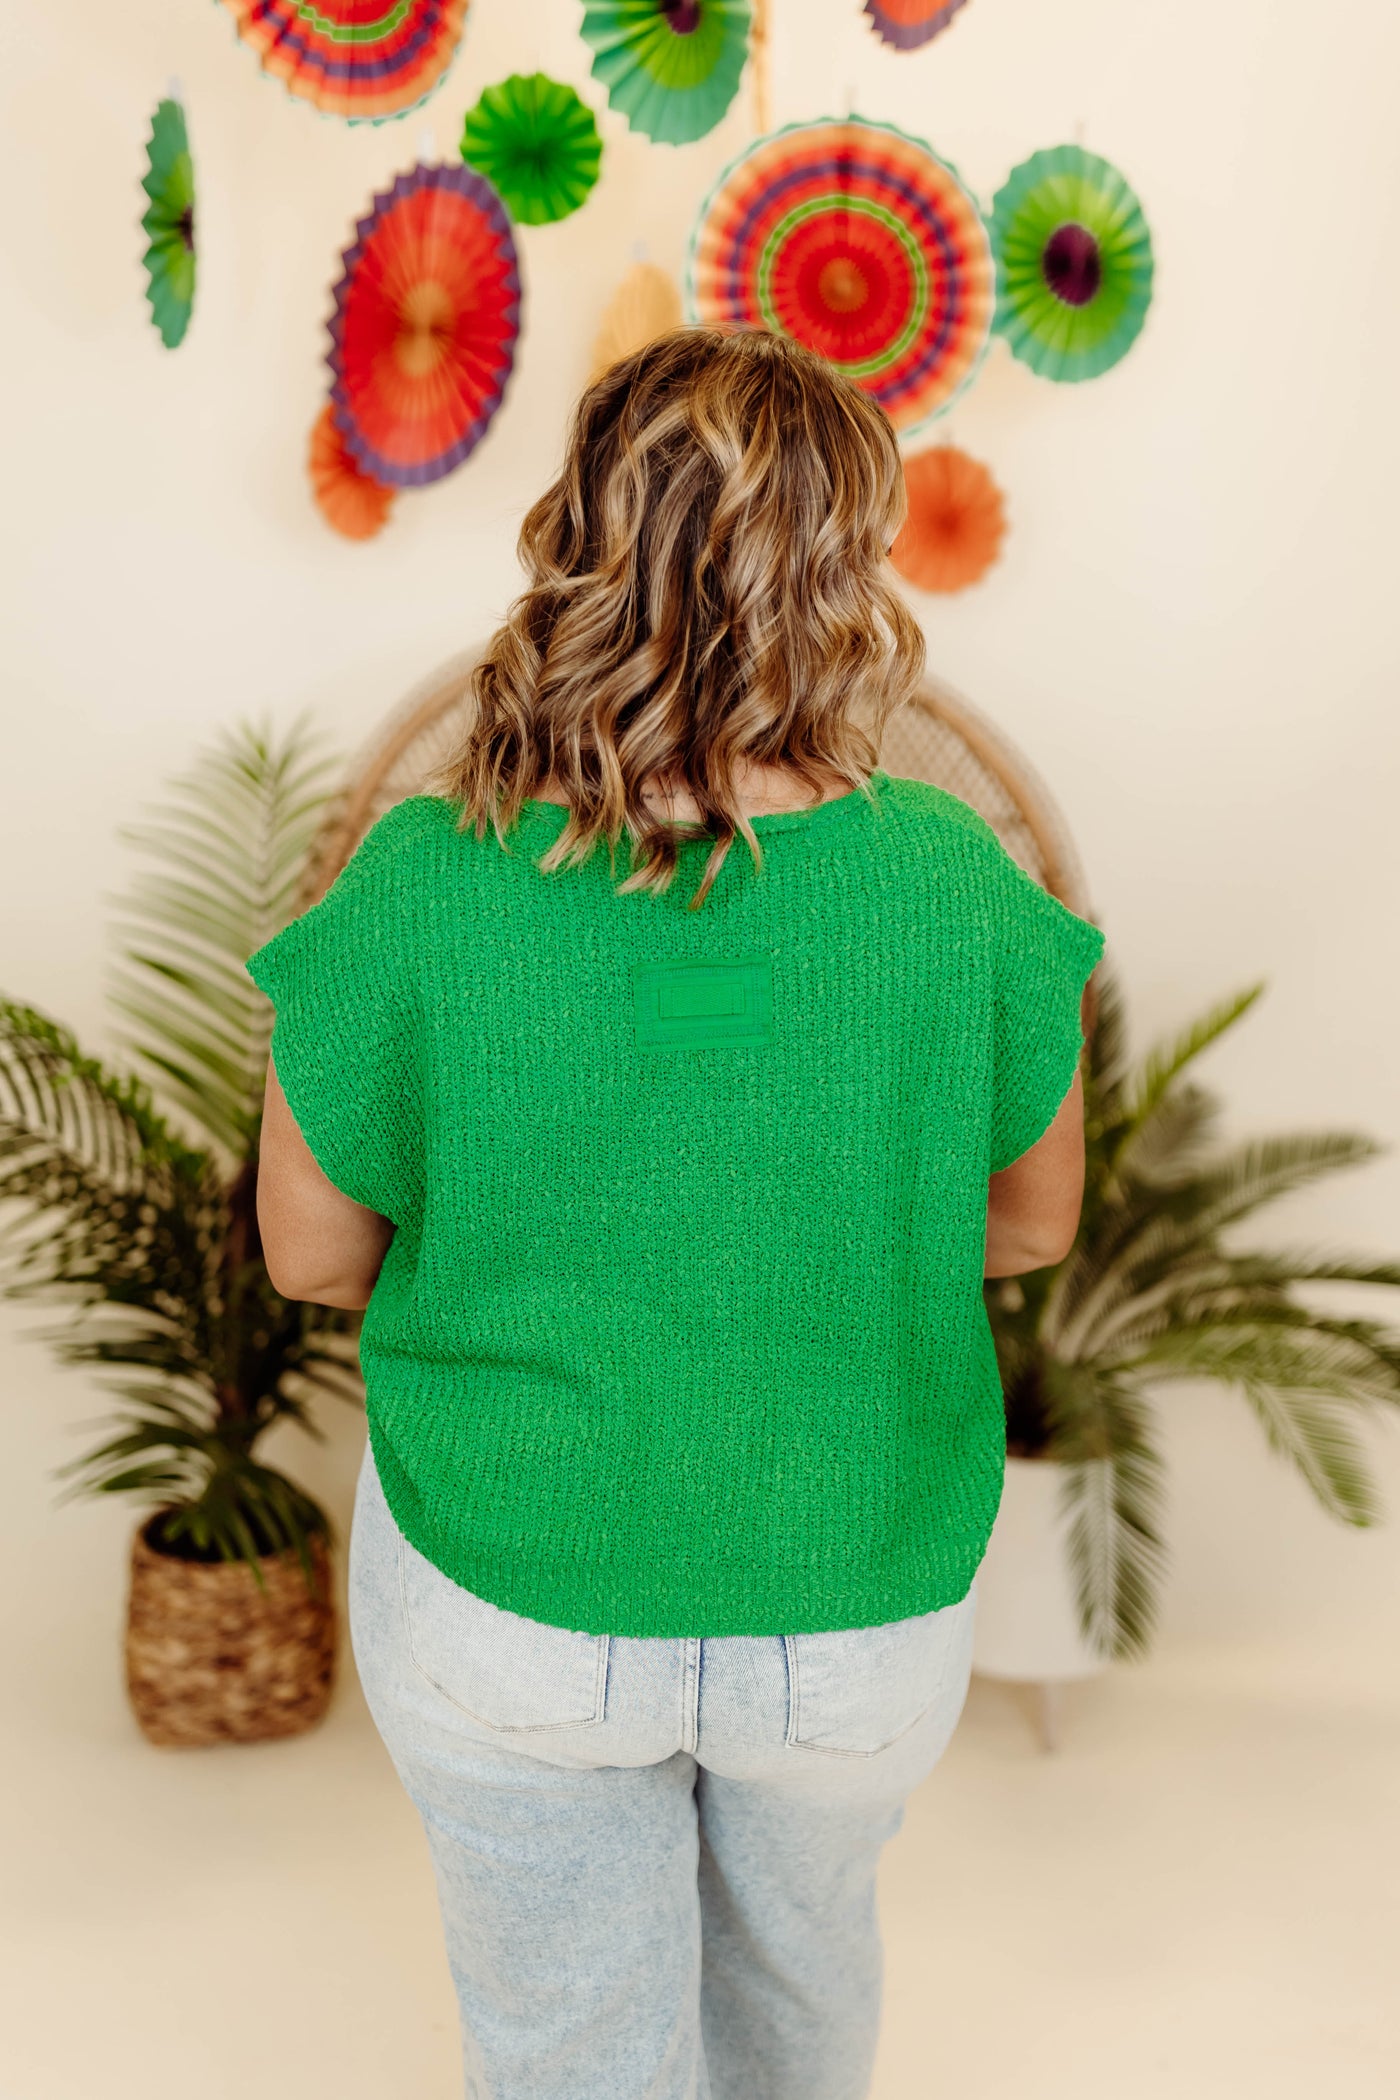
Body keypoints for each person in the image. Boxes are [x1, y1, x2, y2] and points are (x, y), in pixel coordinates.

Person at [246, 326, 1106, 2100]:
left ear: (576, 536)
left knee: (569, 2053)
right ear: (845, 567)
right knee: (801, 2011)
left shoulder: (417, 884)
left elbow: (310, 1255)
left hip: (509, 1597)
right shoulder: (957, 886)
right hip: (856, 1600)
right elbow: (1029, 1229)